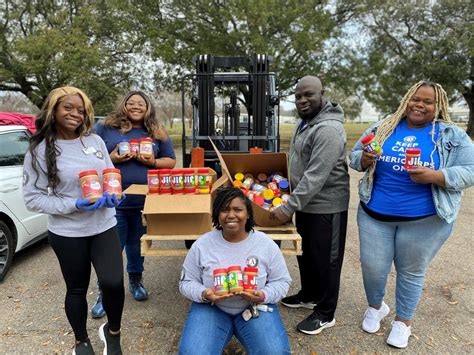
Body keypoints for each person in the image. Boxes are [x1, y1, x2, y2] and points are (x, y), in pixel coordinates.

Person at [349, 81, 474, 348]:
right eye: (415, 99)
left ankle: (402, 322)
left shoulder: (451, 135)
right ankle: (375, 307)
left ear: (437, 106)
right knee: (373, 267)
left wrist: (437, 176)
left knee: (410, 272)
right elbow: (355, 155)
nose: (419, 105)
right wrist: (365, 159)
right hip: (374, 215)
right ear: (407, 100)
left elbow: (470, 170)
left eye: (427, 101)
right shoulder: (384, 126)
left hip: (425, 221)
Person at [23, 86, 125, 354]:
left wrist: (114, 193)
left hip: (104, 226)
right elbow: (32, 198)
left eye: (81, 110)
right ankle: (81, 340)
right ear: (53, 109)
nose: (75, 114)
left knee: (114, 283)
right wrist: (74, 204)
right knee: (77, 289)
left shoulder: (94, 142)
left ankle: (112, 333)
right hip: (67, 233)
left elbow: (110, 173)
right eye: (68, 107)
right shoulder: (39, 150)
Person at [270, 76, 350, 335]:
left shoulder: (327, 129)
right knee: (307, 254)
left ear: (322, 94)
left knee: (327, 260)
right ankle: (309, 295)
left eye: (309, 95)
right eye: (298, 96)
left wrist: (288, 206)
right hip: (306, 203)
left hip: (327, 206)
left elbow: (316, 175)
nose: (303, 100)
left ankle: (326, 313)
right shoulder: (306, 124)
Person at [179, 187, 292, 354]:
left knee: (275, 352)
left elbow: (282, 281)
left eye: (238, 209)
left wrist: (263, 295)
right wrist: (205, 293)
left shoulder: (265, 244)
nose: (231, 215)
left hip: (254, 307)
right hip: (211, 308)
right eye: (224, 210)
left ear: (248, 214)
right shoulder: (202, 245)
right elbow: (186, 282)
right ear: (217, 214)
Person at [93, 91, 176, 315]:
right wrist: (113, 158)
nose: (136, 107)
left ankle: (136, 281)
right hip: (114, 200)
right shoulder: (105, 127)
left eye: (141, 103)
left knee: (136, 246)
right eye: (131, 103)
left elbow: (171, 161)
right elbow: (90, 156)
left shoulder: (156, 131)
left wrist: (153, 161)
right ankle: (104, 293)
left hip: (144, 201)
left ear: (148, 107)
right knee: (110, 250)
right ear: (124, 105)